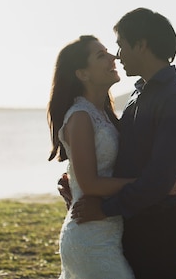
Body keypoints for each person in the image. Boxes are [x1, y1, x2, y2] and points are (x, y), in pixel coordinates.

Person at [69, 8, 176, 279]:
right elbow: (123, 153)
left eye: (121, 46)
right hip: (134, 221)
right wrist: (78, 182)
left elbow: (160, 179)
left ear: (141, 45)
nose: (117, 55)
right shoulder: (140, 92)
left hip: (159, 226)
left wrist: (102, 209)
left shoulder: (173, 99)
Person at [47, 35, 136, 279]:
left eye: (108, 52)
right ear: (82, 74)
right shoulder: (80, 116)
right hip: (89, 241)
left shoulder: (102, 113)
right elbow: (89, 184)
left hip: (106, 234)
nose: (113, 57)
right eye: (101, 55)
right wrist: (146, 184)